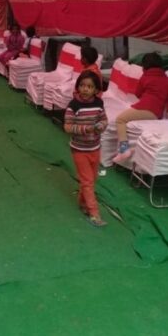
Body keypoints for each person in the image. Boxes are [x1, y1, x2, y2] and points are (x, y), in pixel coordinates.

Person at [113, 52, 168, 164]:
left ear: (144, 66)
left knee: (120, 120)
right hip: (157, 113)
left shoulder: (145, 76)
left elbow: (137, 93)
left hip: (144, 108)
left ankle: (124, 150)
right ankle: (129, 150)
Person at [64, 71, 109, 227]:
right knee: (88, 181)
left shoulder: (99, 103)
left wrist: (101, 126)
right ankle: (94, 213)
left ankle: (82, 202)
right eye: (82, 85)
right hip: (79, 149)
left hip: (95, 148)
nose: (85, 89)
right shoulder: (73, 105)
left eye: (89, 87)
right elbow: (68, 127)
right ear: (78, 87)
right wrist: (86, 129)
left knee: (91, 179)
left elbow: (104, 119)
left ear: (96, 90)